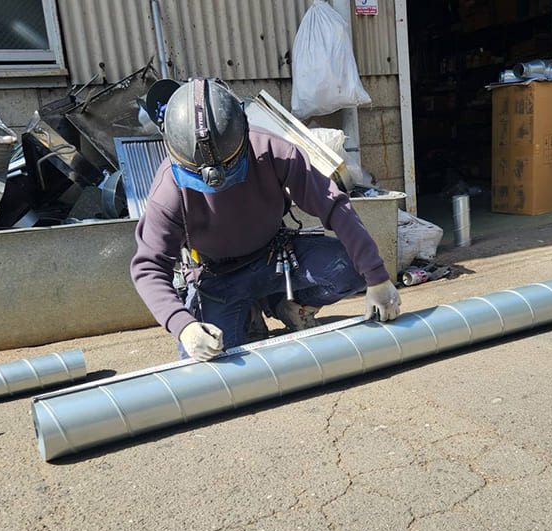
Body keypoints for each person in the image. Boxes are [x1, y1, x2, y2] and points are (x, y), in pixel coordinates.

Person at [130, 78, 401, 361]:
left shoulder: (271, 149)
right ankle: (248, 312)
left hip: (276, 258)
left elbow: (332, 205)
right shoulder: (168, 189)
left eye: (229, 169)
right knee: (207, 362)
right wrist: (184, 326)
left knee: (352, 268)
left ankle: (284, 304)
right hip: (219, 279)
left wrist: (377, 278)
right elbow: (149, 267)